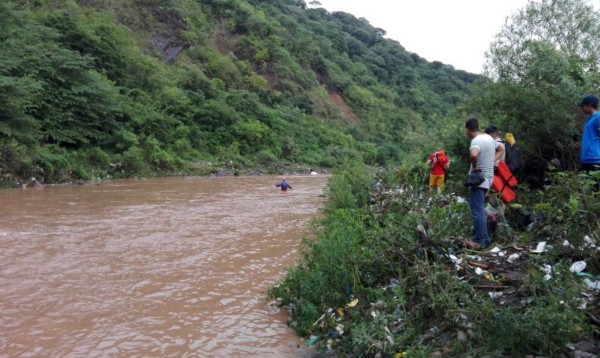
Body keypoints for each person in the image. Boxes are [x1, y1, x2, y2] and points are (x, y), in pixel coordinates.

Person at [464, 118, 503, 249]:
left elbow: (474, 155)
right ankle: (485, 238)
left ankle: (479, 240)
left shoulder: (476, 141)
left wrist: (474, 167)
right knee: (480, 208)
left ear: (467, 130)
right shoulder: (489, 138)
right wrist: (492, 161)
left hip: (478, 180)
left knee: (477, 211)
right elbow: (501, 148)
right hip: (488, 179)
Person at [577, 94, 600, 172]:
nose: (582, 108)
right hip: (587, 160)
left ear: (589, 105)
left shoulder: (598, 117)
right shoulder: (590, 119)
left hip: (594, 159)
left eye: (583, 106)